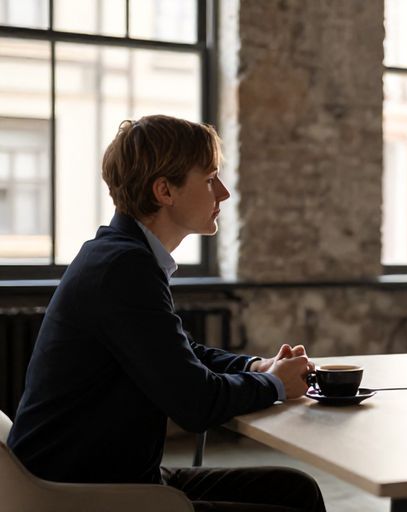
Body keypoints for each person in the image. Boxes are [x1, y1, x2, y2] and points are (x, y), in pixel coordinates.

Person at [8, 115, 326, 512]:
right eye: (210, 179)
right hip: (80, 496)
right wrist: (275, 384)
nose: (224, 193)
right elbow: (196, 403)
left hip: (107, 478)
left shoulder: (118, 255)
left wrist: (255, 366)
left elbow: (180, 354)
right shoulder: (124, 268)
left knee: (294, 490)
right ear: (164, 191)